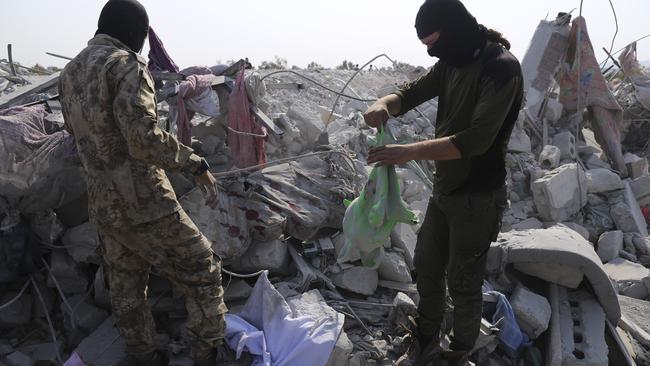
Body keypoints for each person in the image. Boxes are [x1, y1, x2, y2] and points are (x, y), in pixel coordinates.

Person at [58, 1, 227, 365]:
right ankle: (207, 353)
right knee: (203, 268)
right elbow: (143, 139)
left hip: (104, 206)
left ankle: (141, 355)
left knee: (127, 287)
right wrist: (194, 163)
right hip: (144, 203)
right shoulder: (124, 65)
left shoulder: (70, 72)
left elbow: (77, 138)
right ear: (136, 34)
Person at [363, 0, 523, 364]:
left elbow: (474, 141)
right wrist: (383, 104)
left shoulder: (501, 69)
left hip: (477, 197)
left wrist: (406, 152)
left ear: (454, 30)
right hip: (445, 191)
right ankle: (425, 338)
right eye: (426, 46)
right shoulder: (451, 62)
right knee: (428, 268)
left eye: (434, 42)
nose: (433, 51)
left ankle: (457, 354)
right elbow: (408, 93)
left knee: (464, 284)